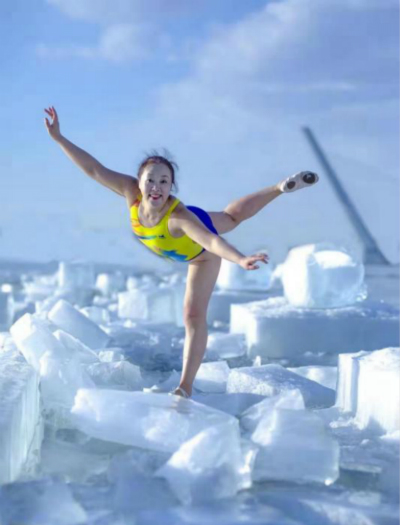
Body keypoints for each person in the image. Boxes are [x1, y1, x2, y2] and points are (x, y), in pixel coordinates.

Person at [44, 105, 319, 399]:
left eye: (164, 181)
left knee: (195, 308)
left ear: (171, 187)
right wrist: (59, 138)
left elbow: (211, 242)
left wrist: (240, 258)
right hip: (188, 231)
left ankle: (185, 386)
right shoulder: (130, 192)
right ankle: (278, 187)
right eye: (151, 179)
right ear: (139, 182)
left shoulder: (178, 218)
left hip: (201, 254)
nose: (156, 186)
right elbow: (93, 169)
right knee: (228, 217)